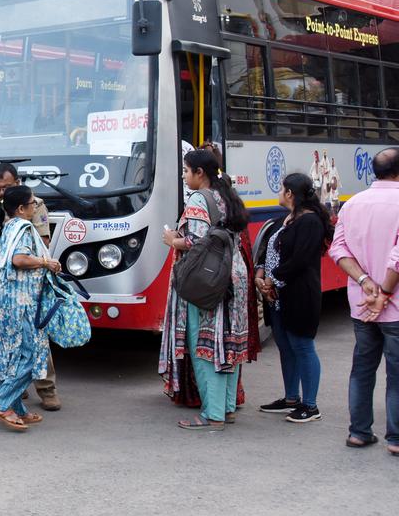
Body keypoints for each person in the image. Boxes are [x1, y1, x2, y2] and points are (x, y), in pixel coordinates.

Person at [159, 149, 251, 431]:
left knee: (207, 345)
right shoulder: (228, 196)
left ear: (200, 173)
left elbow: (196, 242)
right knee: (229, 344)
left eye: (187, 171)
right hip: (235, 274)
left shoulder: (199, 199)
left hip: (209, 281)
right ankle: (227, 408)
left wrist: (173, 240)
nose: (185, 177)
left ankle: (212, 415)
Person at [328, 146, 399, 455]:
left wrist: (364, 282)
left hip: (361, 304)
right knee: (396, 374)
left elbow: (338, 249)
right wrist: (383, 292)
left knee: (362, 369)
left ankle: (359, 432)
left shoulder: (352, 204)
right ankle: (395, 439)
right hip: (393, 306)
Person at [256, 173, 334, 424]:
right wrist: (262, 276)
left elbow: (299, 260)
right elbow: (268, 251)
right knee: (286, 347)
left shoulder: (309, 222)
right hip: (278, 296)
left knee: (302, 346)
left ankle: (310, 405)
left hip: (299, 294)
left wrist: (272, 278)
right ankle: (291, 398)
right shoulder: (285, 220)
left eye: (281, 188)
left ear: (290, 193)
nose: (278, 192)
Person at [0, 185, 62, 431]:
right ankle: (0, 403)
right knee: (31, 355)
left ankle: (16, 407)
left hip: (5, 303)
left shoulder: (8, 226)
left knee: (13, 356)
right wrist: (45, 262)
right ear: (21, 208)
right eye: (31, 204)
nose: (34, 207)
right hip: (21, 304)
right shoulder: (24, 227)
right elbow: (19, 259)